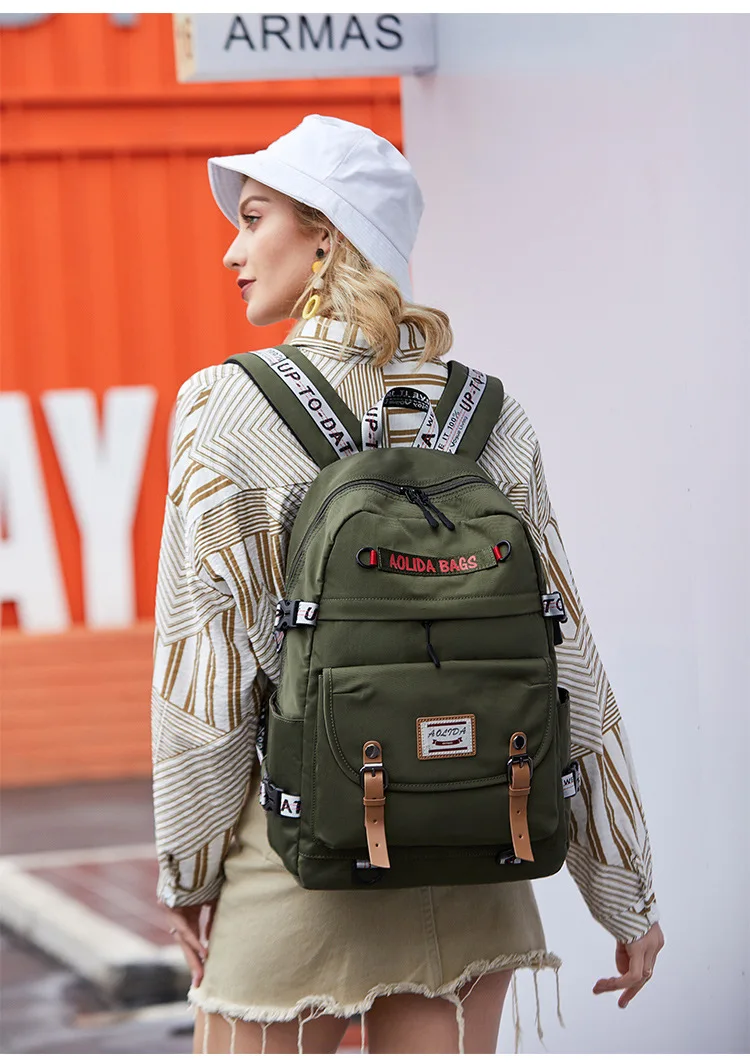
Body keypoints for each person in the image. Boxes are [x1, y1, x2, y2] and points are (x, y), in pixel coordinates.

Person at [151, 114, 664, 1055]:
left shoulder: (224, 406)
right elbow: (568, 663)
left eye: (254, 218)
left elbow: (203, 687)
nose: (232, 248)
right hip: (481, 851)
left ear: (325, 235)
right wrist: (624, 890)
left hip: (299, 862)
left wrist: (187, 873)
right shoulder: (486, 412)